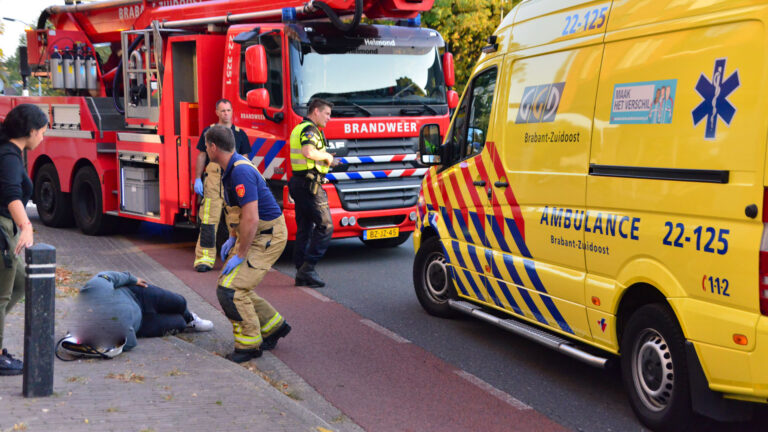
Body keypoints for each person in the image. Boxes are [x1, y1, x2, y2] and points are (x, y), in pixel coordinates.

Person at [204, 125, 291, 363]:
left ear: (213, 147)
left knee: (230, 290)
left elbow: (251, 218)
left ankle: (249, 345)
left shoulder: (239, 172)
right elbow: (237, 211)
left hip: (267, 236)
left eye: (206, 145)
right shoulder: (231, 167)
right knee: (231, 284)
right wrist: (233, 237)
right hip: (257, 233)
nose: (205, 149)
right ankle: (273, 327)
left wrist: (240, 253)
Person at [0, 104, 48, 375]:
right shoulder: (8, 155)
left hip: (6, 229)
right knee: (1, 294)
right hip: (3, 230)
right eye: (42, 131)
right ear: (30, 131)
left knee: (21, 282)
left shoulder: (11, 151)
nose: (43, 136)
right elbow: (11, 195)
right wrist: (25, 225)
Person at [71, 271, 213, 354]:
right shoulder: (115, 329)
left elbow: (109, 275)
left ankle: (190, 317)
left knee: (179, 303)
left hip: (137, 294)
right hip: (143, 324)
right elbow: (131, 343)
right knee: (179, 324)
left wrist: (133, 279)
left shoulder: (94, 288)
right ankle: (185, 321)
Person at [192, 99, 252, 272]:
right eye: (223, 111)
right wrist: (197, 178)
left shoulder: (240, 134)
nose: (226, 113)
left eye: (228, 110)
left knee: (235, 221)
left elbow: (245, 159)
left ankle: (236, 258)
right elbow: (202, 156)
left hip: (233, 180)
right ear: (217, 112)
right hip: (213, 180)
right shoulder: (209, 132)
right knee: (209, 221)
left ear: (232, 111)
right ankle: (204, 258)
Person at [288, 98, 338, 288]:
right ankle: (308, 269)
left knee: (305, 227)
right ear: (316, 111)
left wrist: (329, 162)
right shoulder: (310, 129)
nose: (329, 118)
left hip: (300, 183)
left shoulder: (299, 128)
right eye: (327, 114)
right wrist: (326, 156)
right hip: (310, 185)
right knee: (325, 226)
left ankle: (301, 271)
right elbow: (308, 152)